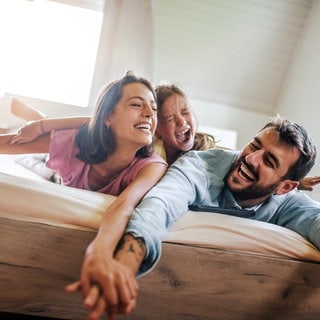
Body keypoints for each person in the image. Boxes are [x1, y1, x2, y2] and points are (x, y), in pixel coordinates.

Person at [81, 116, 320, 319]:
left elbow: (316, 220)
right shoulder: (199, 165)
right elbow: (161, 203)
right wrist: (126, 262)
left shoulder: (287, 203)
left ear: (286, 187)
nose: (251, 158)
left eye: (269, 161)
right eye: (254, 146)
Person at [0, 72, 168, 319]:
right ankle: (34, 119)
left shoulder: (153, 166)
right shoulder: (76, 141)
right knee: (31, 156)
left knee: (42, 155)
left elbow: (125, 205)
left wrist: (98, 251)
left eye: (153, 109)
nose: (149, 113)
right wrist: (39, 129)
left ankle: (38, 119)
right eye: (136, 104)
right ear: (109, 116)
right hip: (65, 169)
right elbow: (7, 144)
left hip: (73, 158)